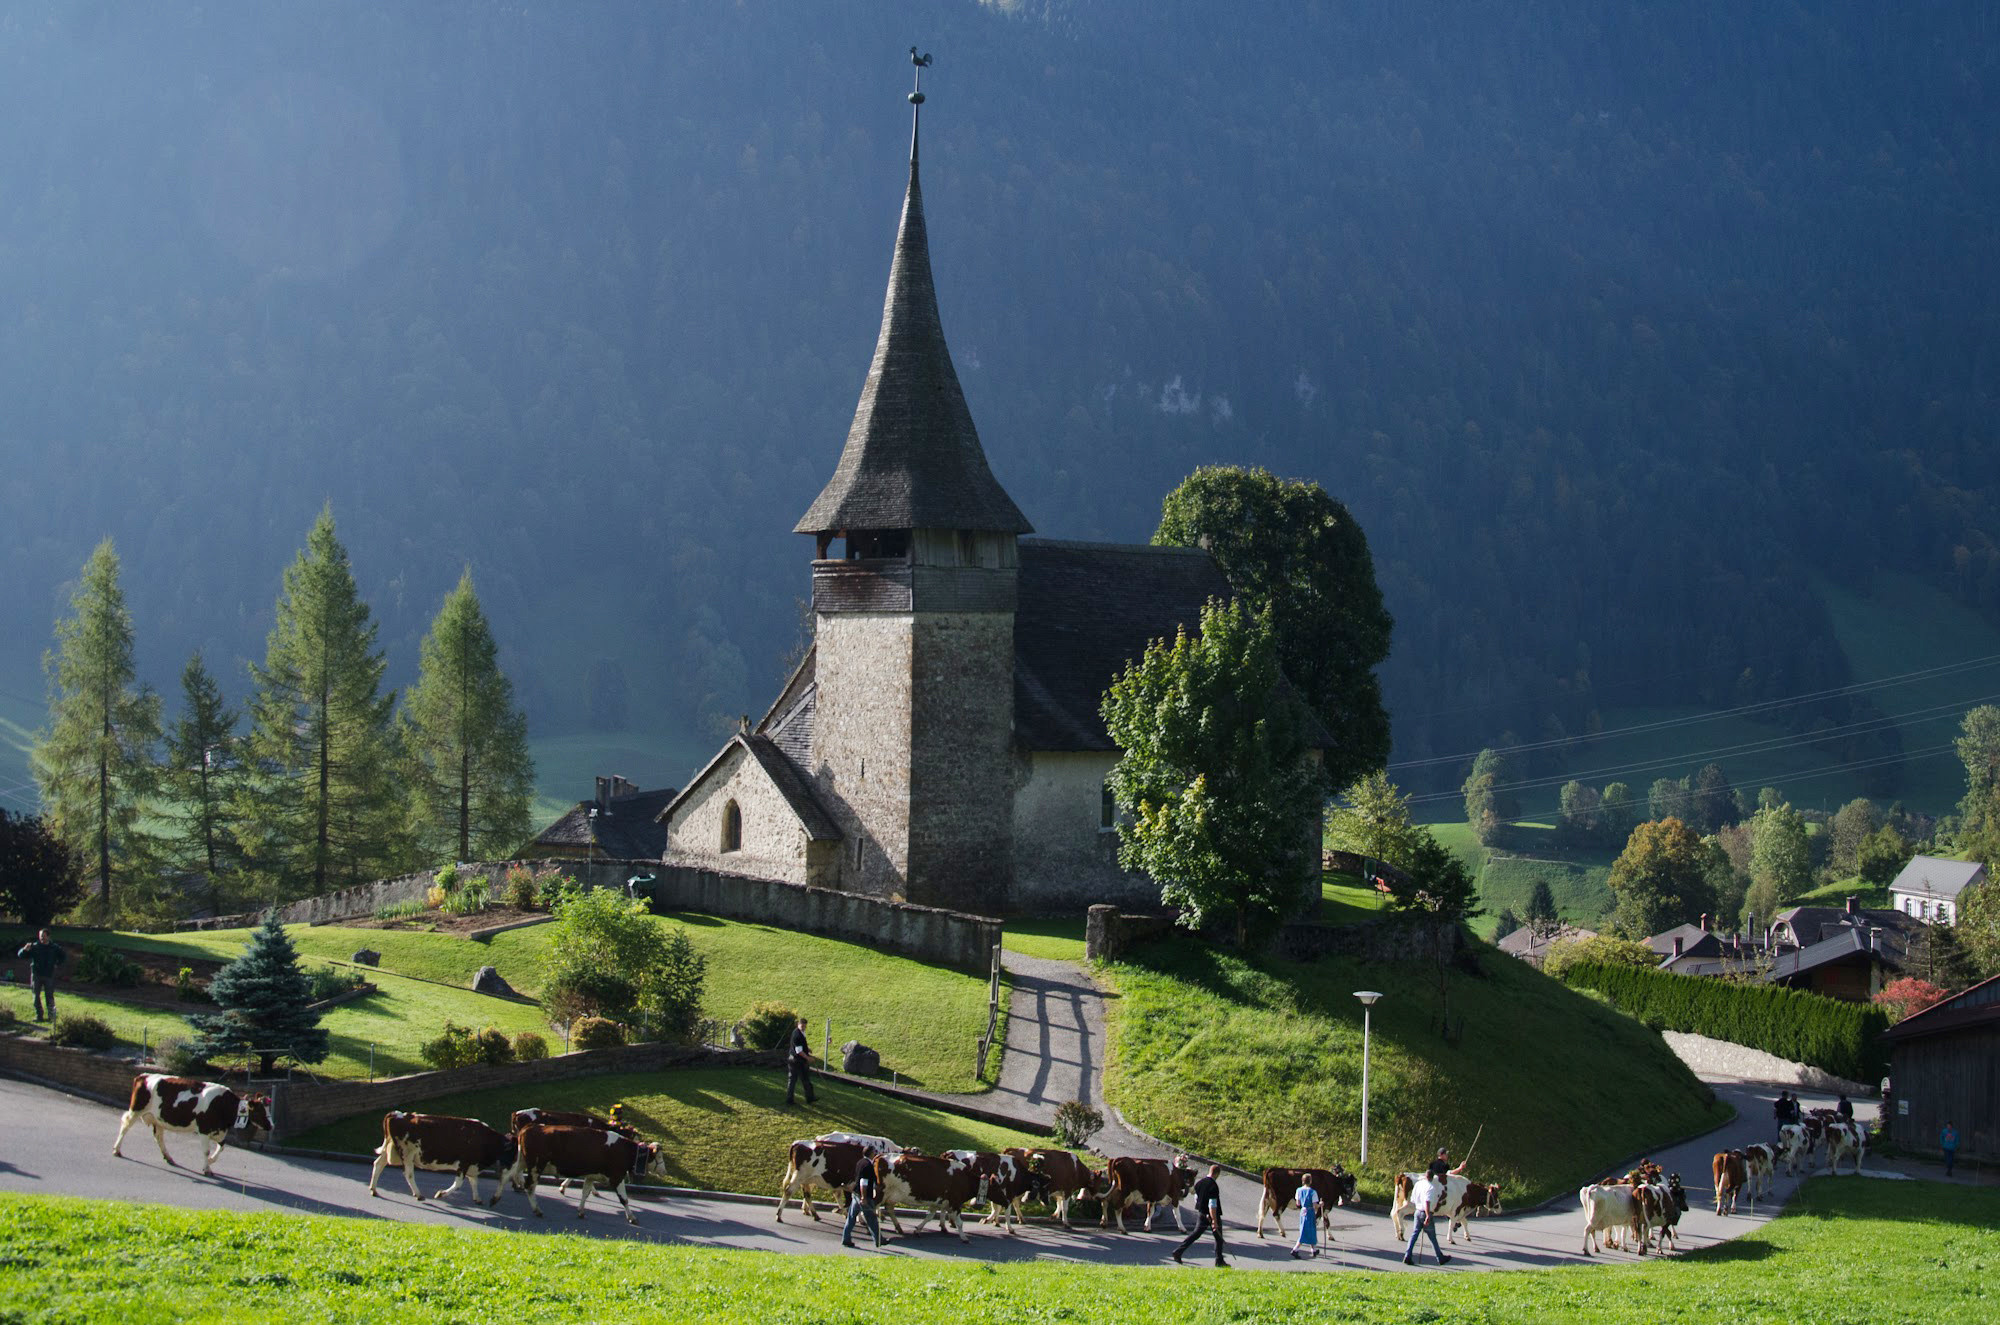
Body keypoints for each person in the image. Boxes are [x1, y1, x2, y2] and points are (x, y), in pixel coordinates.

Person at [1172, 1162, 1228, 1267]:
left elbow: (1197, 1198)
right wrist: (1214, 1221)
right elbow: (1212, 1205)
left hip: (1202, 1214)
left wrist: (1202, 1209)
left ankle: (1178, 1251)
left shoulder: (1199, 1183)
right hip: (1211, 1215)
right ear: (1216, 1174)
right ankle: (1219, 1260)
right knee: (1218, 1238)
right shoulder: (1213, 1186)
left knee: (1195, 1235)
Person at [16, 929, 66, 1022]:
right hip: (36, 974)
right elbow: (21, 955)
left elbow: (63, 956)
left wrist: (57, 964)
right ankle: (39, 1016)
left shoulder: (54, 948)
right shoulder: (35, 947)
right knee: (36, 996)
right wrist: (24, 950)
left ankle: (51, 1016)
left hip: (48, 975)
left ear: (48, 936)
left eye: (43, 936)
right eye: (40, 936)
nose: (42, 938)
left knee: (49, 996)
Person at [1403, 1171, 1451, 1267]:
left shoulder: (1418, 1184)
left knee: (1414, 1234)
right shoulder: (1431, 1187)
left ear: (1425, 1176)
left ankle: (1408, 1255)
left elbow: (1412, 1199)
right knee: (1432, 1236)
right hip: (1425, 1213)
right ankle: (1440, 1258)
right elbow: (1427, 1202)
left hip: (1417, 1211)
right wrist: (1428, 1215)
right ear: (1432, 1178)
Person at [841, 1147, 883, 1247]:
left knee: (851, 1218)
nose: (875, 1154)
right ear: (871, 1153)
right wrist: (864, 1197)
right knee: (871, 1218)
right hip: (864, 1196)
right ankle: (879, 1240)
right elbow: (863, 1182)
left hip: (855, 1194)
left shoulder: (860, 1162)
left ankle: (846, 1239)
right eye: (874, 1152)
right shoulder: (868, 1165)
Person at [785, 1017, 817, 1106]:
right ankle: (790, 1100)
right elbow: (799, 1051)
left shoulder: (800, 1032)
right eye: (802, 1026)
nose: (803, 1028)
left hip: (797, 1060)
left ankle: (810, 1098)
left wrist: (807, 1049)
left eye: (804, 1026)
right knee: (794, 1080)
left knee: (805, 1079)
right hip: (796, 1061)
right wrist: (808, 1058)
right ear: (798, 1024)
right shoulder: (797, 1035)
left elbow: (801, 1046)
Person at [1289, 1177, 1322, 1259]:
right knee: (1308, 1230)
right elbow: (1315, 1205)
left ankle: (1313, 1249)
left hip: (1303, 1211)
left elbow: (1298, 1203)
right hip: (1310, 1212)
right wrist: (1320, 1204)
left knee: (1309, 1230)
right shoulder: (1313, 1192)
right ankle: (1295, 1249)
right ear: (1310, 1181)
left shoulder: (1299, 1190)